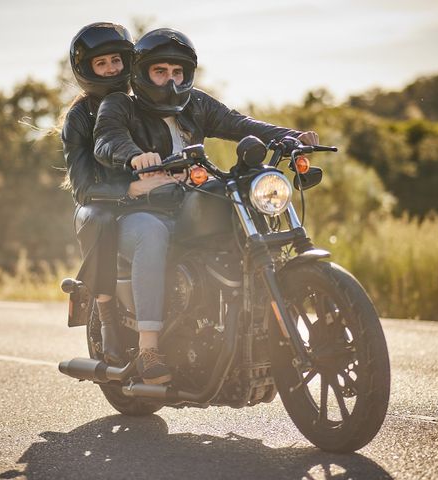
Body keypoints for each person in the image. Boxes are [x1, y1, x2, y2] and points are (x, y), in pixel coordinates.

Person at [93, 28, 319, 384]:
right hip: (138, 210)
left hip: (188, 201)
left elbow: (239, 123)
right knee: (152, 235)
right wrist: (134, 156)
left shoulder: (195, 103)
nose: (171, 80)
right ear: (142, 73)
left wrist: (287, 136)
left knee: (238, 212)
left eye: (177, 72)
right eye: (160, 71)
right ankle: (149, 347)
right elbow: (107, 140)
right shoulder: (121, 105)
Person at [61, 22, 138, 365]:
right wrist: (128, 189)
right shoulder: (79, 116)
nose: (111, 69)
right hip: (102, 203)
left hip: (154, 196)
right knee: (103, 220)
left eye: (115, 61)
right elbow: (82, 187)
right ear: (87, 69)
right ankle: (108, 319)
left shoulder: (143, 101)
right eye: (101, 63)